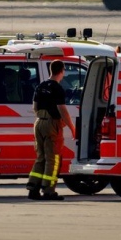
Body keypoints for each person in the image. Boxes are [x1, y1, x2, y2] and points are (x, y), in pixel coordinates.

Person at [26, 60, 76, 201]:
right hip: (51, 124)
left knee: (40, 157)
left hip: (39, 122)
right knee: (53, 159)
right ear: (62, 70)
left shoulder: (40, 86)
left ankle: (33, 186)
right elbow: (62, 110)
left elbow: (35, 107)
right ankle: (48, 190)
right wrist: (72, 128)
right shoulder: (57, 88)